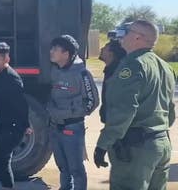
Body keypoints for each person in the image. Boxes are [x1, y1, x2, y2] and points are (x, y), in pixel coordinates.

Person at [95, 20, 176, 190]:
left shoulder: (133, 64)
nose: (122, 36)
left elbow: (124, 110)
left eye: (127, 31)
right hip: (161, 144)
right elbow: (170, 112)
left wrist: (103, 143)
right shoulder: (165, 67)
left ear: (138, 38)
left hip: (137, 149)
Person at [48, 35, 99, 190]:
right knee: (63, 167)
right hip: (55, 127)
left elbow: (92, 102)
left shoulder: (82, 74)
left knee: (76, 169)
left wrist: (68, 112)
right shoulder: (54, 71)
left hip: (72, 128)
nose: (51, 51)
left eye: (56, 49)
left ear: (66, 53)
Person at [0, 42, 32, 190]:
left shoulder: (11, 78)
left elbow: (21, 104)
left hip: (12, 127)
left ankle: (8, 187)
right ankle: (7, 186)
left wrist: (25, 125)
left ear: (6, 59)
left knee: (1, 159)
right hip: (3, 125)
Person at [97, 38, 126, 124]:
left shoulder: (118, 73)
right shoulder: (110, 69)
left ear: (111, 54)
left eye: (105, 48)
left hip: (116, 122)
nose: (101, 49)